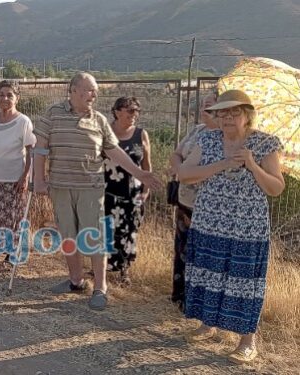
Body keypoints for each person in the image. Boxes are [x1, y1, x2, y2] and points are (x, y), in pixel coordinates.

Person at [33, 72, 161, 311]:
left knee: (94, 238)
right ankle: (76, 281)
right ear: (73, 90)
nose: (95, 94)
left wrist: (139, 173)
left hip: (91, 188)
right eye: (90, 90)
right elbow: (40, 149)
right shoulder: (52, 114)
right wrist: (38, 180)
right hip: (60, 186)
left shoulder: (100, 120)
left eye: (95, 91)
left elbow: (114, 152)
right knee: (68, 236)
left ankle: (100, 287)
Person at [179, 89, 284, 364]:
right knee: (208, 275)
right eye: (222, 113)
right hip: (210, 223)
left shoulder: (265, 144)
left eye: (234, 112)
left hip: (247, 230)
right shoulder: (208, 139)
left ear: (247, 115)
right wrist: (222, 163)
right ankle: (207, 324)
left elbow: (275, 188)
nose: (227, 118)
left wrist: (252, 164)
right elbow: (185, 174)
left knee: (244, 282)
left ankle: (247, 342)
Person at [168, 93, 218, 311]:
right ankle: (180, 295)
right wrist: (182, 171)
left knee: (201, 252)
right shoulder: (197, 130)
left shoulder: (222, 138)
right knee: (182, 249)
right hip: (184, 200)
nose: (203, 109)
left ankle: (196, 301)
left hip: (206, 205)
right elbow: (176, 154)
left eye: (209, 106)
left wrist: (188, 173)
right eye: (203, 106)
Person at [0, 81, 36, 258]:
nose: (5, 98)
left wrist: (25, 176)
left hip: (12, 178)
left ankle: (13, 252)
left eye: (10, 95)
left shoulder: (23, 121)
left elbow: (30, 151)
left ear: (17, 98)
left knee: (11, 217)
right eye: (1, 94)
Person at [103, 97, 151, 285]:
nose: (134, 114)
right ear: (117, 111)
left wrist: (146, 191)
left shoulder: (141, 134)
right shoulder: (105, 133)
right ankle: (102, 270)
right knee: (106, 230)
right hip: (107, 192)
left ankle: (124, 270)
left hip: (133, 192)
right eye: (130, 110)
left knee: (130, 231)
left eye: (137, 110)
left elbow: (147, 164)